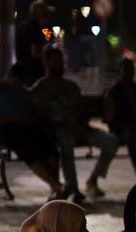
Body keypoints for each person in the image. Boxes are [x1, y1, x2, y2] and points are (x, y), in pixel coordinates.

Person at [33, 47, 119, 202]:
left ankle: (93, 179)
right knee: (66, 141)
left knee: (111, 141)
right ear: (47, 63)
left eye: (61, 61)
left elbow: (81, 111)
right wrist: (63, 124)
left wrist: (80, 123)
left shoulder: (71, 86)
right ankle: (71, 188)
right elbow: (41, 116)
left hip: (79, 129)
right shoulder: (40, 88)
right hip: (57, 131)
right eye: (56, 61)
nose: (60, 65)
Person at [0, 63, 66, 198]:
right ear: (9, 76)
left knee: (49, 148)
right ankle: (56, 185)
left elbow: (34, 113)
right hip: (5, 128)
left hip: (27, 127)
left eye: (20, 83)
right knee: (29, 151)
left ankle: (56, 187)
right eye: (15, 82)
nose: (17, 86)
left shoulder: (25, 93)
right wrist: (11, 118)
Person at [15, 0, 53, 86]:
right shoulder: (35, 28)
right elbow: (36, 52)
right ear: (39, 12)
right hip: (35, 72)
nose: (47, 14)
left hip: (23, 71)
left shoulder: (22, 26)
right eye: (45, 11)